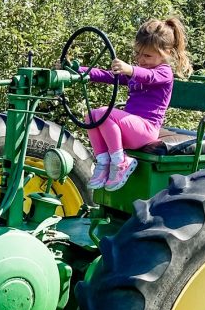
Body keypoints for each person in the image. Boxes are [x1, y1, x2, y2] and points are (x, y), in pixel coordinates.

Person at [81, 17, 192, 191]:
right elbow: (108, 75)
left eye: (147, 55)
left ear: (167, 53)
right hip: (130, 130)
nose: (141, 59)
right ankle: (103, 163)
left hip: (146, 130)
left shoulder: (164, 72)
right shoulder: (139, 69)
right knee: (91, 116)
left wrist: (130, 69)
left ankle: (121, 162)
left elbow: (148, 77)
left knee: (103, 112)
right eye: (138, 54)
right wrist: (79, 71)